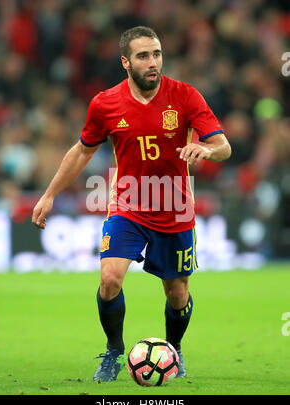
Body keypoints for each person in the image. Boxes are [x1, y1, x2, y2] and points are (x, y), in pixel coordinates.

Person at [32, 26, 231, 383]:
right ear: (126, 62)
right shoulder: (105, 103)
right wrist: (49, 194)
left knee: (177, 293)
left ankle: (174, 348)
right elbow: (82, 151)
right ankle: (113, 352)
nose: (152, 62)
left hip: (175, 209)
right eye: (143, 56)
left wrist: (207, 149)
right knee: (109, 279)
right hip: (128, 206)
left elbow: (223, 146)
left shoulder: (185, 96)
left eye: (156, 54)